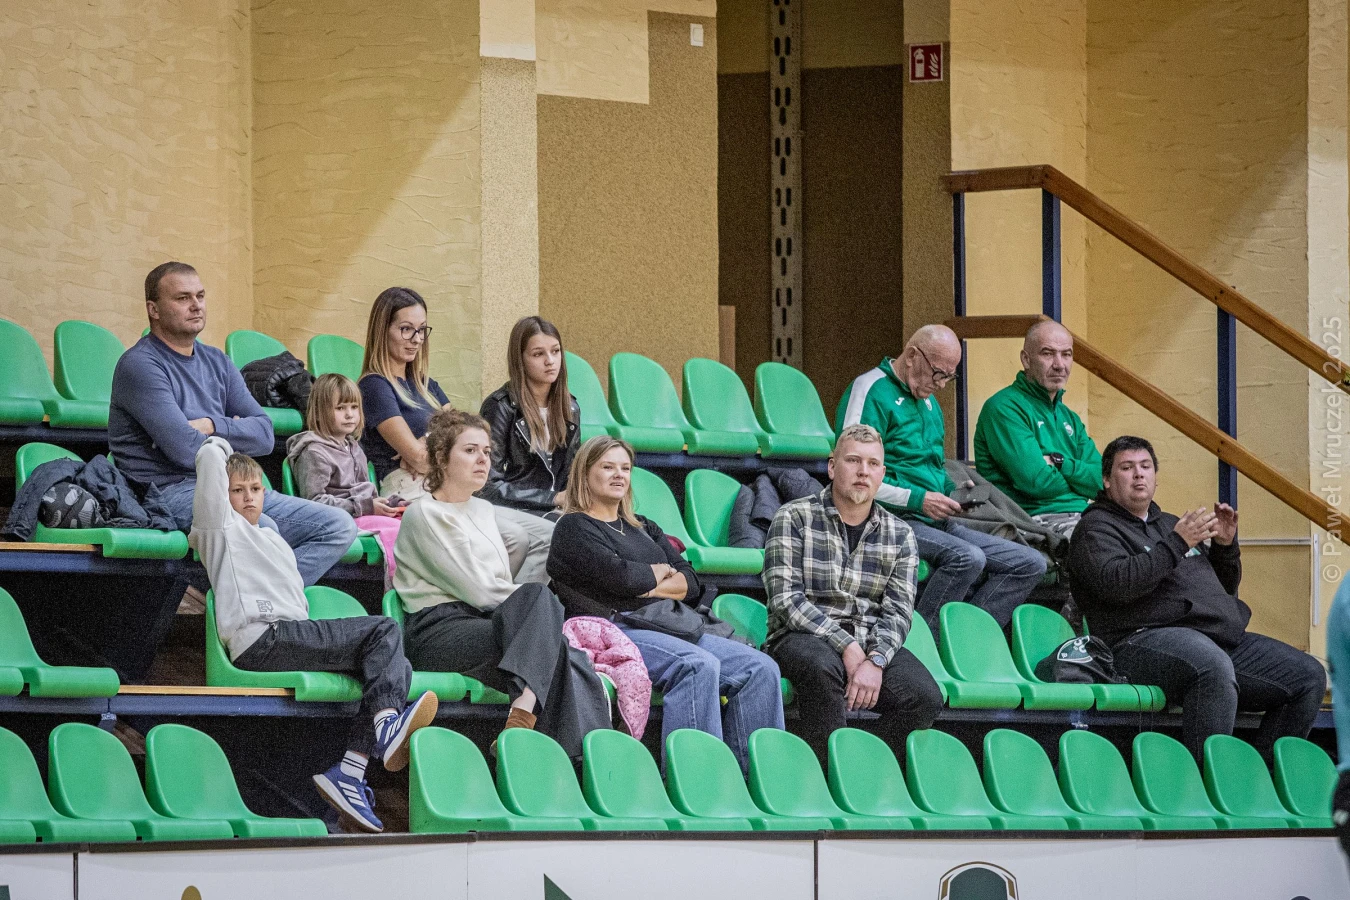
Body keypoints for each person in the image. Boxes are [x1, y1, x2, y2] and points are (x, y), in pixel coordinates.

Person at [191, 436, 437, 834]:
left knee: (395, 664)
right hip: (261, 637)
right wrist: (223, 445)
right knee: (384, 630)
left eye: (255, 488)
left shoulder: (272, 538)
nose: (249, 497)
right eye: (237, 490)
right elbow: (207, 458)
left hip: (288, 634)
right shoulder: (218, 530)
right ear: (223, 494)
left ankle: (351, 770)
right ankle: (386, 727)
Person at [1067, 435, 1326, 762]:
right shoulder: (1095, 528)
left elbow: (1221, 589)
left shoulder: (1170, 524)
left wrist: (1225, 547)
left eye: (1146, 466)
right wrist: (1177, 544)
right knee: (1211, 666)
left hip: (1212, 637)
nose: (1138, 474)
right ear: (1107, 479)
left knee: (1308, 676)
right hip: (1136, 642)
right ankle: (1208, 781)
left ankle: (1258, 777)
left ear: (1156, 478)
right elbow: (1117, 585)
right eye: (1127, 467)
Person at [547, 436, 784, 773]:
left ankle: (752, 779)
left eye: (625, 468)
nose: (619, 475)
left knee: (761, 668)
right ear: (585, 473)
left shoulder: (643, 526)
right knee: (697, 665)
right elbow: (622, 578)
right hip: (616, 628)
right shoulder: (573, 527)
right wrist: (658, 573)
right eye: (608, 467)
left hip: (668, 622)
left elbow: (691, 583)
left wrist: (646, 583)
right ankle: (695, 779)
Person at [110, 261, 356, 585]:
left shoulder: (217, 361)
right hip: (168, 493)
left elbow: (264, 435)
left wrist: (212, 425)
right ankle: (261, 600)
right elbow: (185, 450)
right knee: (262, 528)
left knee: (339, 526)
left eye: (200, 296)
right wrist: (236, 429)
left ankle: (266, 596)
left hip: (232, 486)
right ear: (153, 309)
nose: (196, 305)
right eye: (183, 298)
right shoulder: (140, 365)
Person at [392, 409, 610, 756]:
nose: (483, 459)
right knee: (547, 620)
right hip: (439, 632)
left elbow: (497, 585)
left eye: (486, 451)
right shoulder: (423, 513)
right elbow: (481, 592)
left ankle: (531, 736)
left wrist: (536, 616)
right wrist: (539, 613)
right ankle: (577, 756)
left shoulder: (482, 510)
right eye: (470, 450)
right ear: (441, 458)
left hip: (483, 624)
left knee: (564, 653)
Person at [835, 324, 1045, 629]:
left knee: (1030, 563)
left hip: (932, 519)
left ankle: (965, 637)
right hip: (884, 519)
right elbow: (851, 475)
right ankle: (921, 643)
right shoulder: (870, 389)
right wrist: (919, 500)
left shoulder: (929, 403)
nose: (942, 384)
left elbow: (932, 466)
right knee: (967, 558)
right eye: (938, 373)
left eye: (949, 376)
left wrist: (953, 491)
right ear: (911, 356)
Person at [762, 424, 942, 765]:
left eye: (873, 464)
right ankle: (827, 774)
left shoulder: (900, 534)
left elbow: (899, 612)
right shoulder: (793, 517)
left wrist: (876, 660)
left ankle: (864, 766)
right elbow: (786, 599)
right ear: (832, 467)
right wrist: (846, 645)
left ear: (882, 474)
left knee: (925, 697)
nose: (863, 471)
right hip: (801, 636)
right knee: (821, 667)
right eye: (853, 461)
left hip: (869, 641)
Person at [358, 286, 552, 581]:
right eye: (406, 329)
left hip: (449, 488)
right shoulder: (375, 386)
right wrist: (435, 447)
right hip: (411, 493)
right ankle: (495, 601)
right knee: (515, 538)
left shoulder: (427, 385)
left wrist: (427, 444)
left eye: (422, 330)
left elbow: (470, 434)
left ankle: (508, 601)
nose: (416, 339)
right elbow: (420, 459)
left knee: (548, 536)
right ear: (383, 330)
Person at [974, 320, 1100, 540]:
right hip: (1033, 520)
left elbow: (1101, 481)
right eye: (1048, 354)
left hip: (1085, 515)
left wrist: (1061, 463)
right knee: (1102, 543)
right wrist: (1080, 483)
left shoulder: (1069, 417)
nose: (1059, 365)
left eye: (1066, 354)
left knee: (1152, 536)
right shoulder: (1004, 408)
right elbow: (1037, 482)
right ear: (1026, 359)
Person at [286, 373, 406, 580]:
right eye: (340, 408)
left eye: (354, 407)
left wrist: (393, 503)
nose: (350, 414)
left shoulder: (355, 448)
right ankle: (395, 590)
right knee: (398, 531)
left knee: (415, 523)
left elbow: (368, 494)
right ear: (320, 412)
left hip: (363, 515)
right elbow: (314, 504)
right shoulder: (314, 452)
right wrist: (366, 506)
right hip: (342, 523)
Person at [479, 316, 579, 521]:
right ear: (520, 359)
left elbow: (572, 474)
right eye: (538, 354)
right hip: (515, 510)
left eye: (555, 351)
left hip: (559, 508)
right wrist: (552, 498)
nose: (550, 361)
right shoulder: (501, 407)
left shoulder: (570, 407)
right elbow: (487, 486)